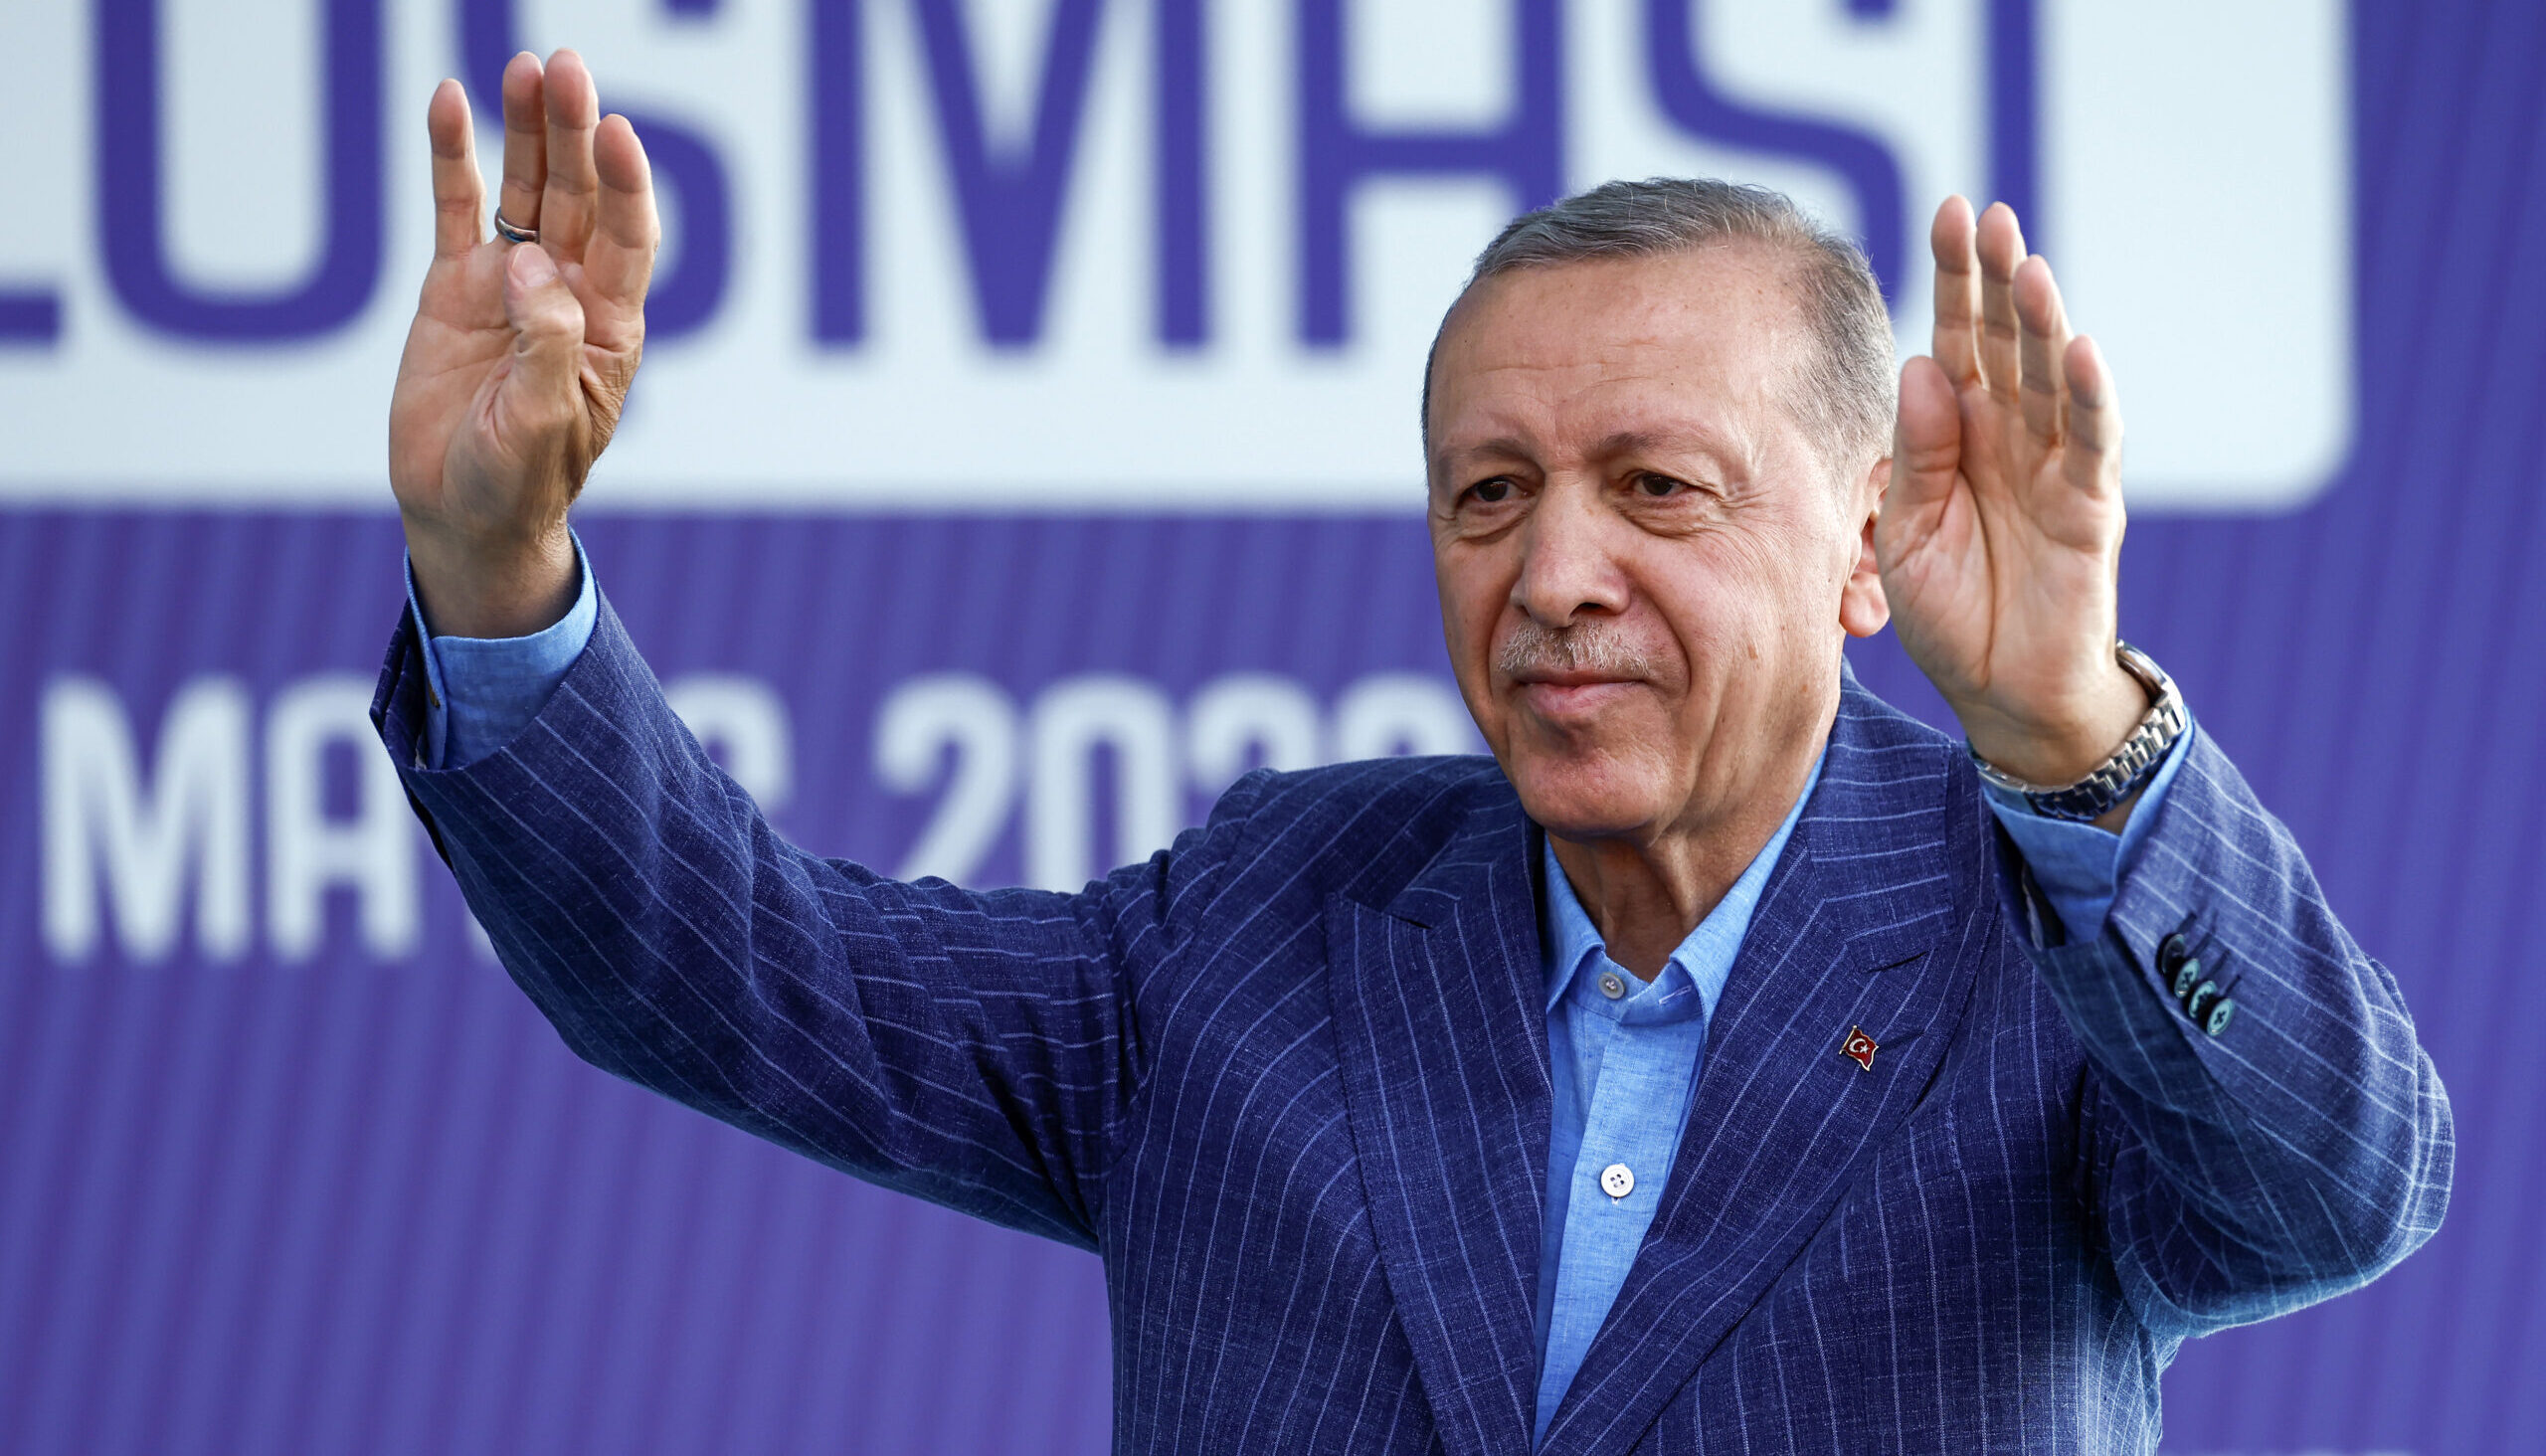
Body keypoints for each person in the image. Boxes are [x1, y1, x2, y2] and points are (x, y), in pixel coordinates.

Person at [376, 49, 2451, 1455]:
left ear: (1860, 554)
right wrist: (493, 560)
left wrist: (2072, 735)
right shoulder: (1265, 920)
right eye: (1485, 494)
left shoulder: (2041, 931)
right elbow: (736, 974)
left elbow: (2333, 1192)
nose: (1550, 573)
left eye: (1653, 489)